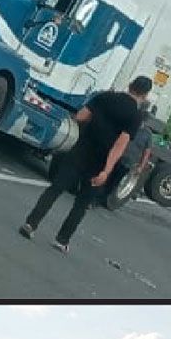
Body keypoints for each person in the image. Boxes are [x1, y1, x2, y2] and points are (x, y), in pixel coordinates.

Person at [19, 76, 153, 252]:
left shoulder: (105, 97)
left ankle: (31, 223)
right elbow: (119, 145)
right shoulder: (134, 116)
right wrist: (106, 170)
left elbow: (81, 116)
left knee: (56, 188)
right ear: (145, 95)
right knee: (81, 204)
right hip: (100, 162)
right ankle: (62, 239)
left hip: (80, 151)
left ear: (130, 85)